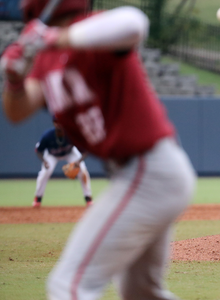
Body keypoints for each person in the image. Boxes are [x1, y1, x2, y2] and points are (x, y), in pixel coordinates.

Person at [1, 1, 197, 299]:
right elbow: (17, 112)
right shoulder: (46, 59)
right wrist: (14, 81)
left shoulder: (95, 32)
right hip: (140, 174)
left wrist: (53, 38)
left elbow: (134, 23)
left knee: (68, 285)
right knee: (141, 292)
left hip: (150, 169)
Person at [34, 117, 92, 208]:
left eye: (61, 121)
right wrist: (44, 161)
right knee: (46, 172)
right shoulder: (47, 136)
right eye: (57, 122)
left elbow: (86, 151)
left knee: (82, 170)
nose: (59, 124)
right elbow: (38, 150)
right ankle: (38, 198)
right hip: (52, 155)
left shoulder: (72, 134)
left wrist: (78, 161)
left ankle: (88, 198)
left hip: (70, 153)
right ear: (54, 123)